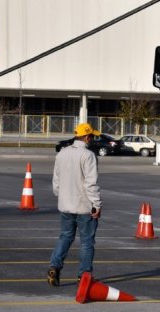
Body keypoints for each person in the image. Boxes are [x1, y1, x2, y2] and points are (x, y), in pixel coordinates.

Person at [47, 122, 102, 286]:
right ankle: (84, 275)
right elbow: (90, 184)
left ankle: (54, 267)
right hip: (84, 206)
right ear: (86, 136)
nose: (92, 139)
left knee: (65, 237)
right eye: (91, 136)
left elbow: (56, 181)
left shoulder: (62, 154)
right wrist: (96, 204)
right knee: (86, 242)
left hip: (65, 205)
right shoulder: (88, 155)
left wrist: (61, 196)